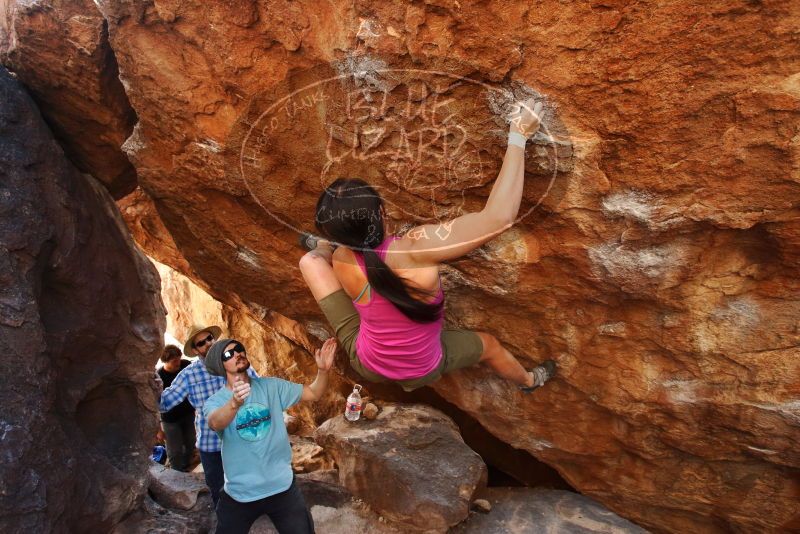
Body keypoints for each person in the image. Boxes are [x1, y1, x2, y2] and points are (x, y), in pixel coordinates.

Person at [298, 101, 556, 393]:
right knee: (490, 346)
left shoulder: (343, 259)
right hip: (422, 368)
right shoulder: (414, 249)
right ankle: (530, 381)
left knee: (311, 262)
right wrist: (519, 134)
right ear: (383, 213)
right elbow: (499, 217)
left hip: (367, 361)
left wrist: (332, 247)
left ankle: (320, 245)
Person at [203, 337, 336, 534]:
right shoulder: (215, 401)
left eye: (239, 348)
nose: (238, 353)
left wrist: (323, 371)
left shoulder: (270, 386)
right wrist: (234, 403)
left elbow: (313, 393)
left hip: (281, 488)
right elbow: (215, 422)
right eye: (229, 354)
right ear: (220, 365)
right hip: (241, 493)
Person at [160, 324, 258, 507]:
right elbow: (165, 402)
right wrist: (148, 382)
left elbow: (260, 388)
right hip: (211, 445)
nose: (208, 344)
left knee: (249, 485)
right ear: (195, 349)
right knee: (219, 492)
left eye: (210, 339)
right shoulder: (189, 374)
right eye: (201, 343)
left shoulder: (236, 362)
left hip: (242, 439)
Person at [157, 344, 196, 471]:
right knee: (174, 450)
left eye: (179, 358)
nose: (178, 362)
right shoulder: (159, 377)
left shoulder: (186, 365)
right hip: (170, 420)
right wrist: (158, 430)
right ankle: (176, 473)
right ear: (165, 361)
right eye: (175, 361)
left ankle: (185, 465)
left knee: (191, 444)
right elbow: (153, 404)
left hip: (188, 414)